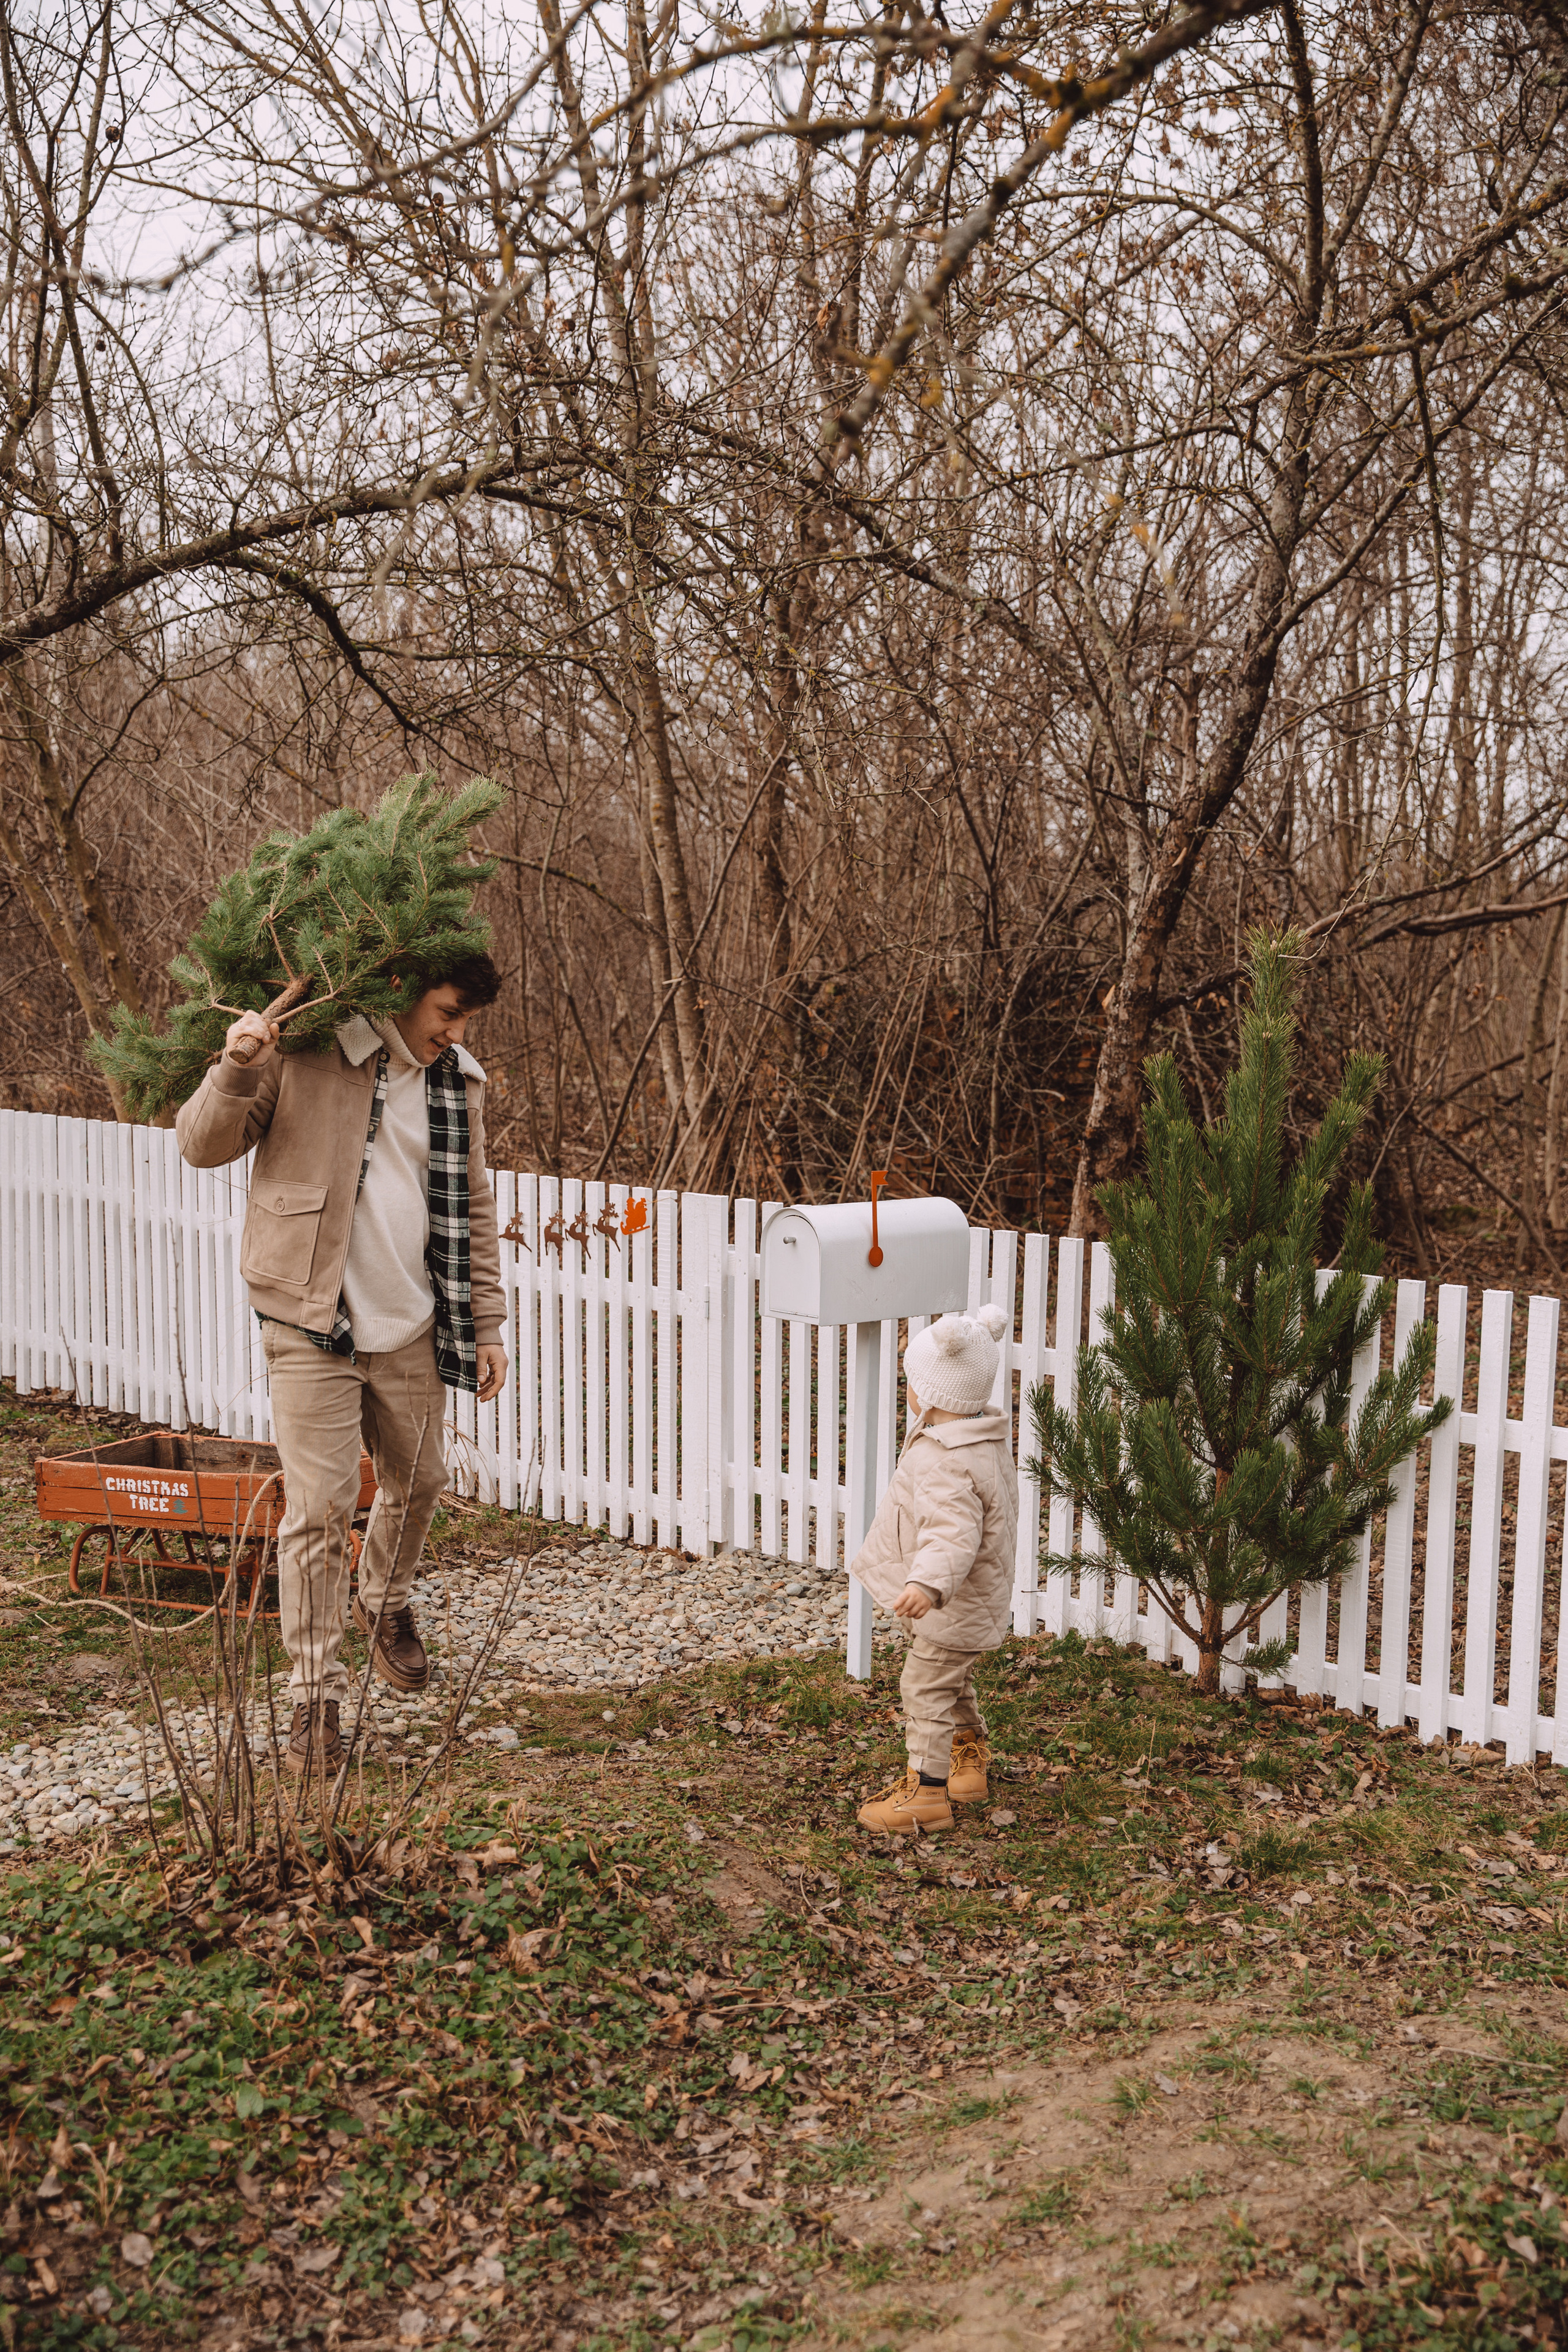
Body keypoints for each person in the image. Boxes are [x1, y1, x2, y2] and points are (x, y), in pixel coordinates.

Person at [175, 956, 509, 1774]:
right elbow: (200, 1146)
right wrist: (236, 1066)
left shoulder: (456, 1082)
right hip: (309, 1321)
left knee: (420, 1481)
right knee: (320, 1513)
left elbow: (473, 1208)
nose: (456, 1032)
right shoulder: (303, 1052)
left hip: (413, 1323)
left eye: (467, 1020)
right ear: (402, 993)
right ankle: (313, 1699)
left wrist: (486, 1324)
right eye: (448, 1012)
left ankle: (383, 1600)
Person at [848, 1305, 1017, 1833]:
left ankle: (926, 1793)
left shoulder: (950, 1460)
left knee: (924, 1687)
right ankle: (968, 1761)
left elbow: (953, 1534)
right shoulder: (977, 1438)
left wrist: (927, 1584)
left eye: (912, 1382)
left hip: (953, 1601)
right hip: (968, 1603)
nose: (908, 1390)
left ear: (933, 1394)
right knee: (951, 1681)